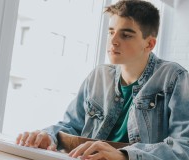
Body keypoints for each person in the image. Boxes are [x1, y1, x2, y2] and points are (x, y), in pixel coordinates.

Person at [16, 0, 189, 159]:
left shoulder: (174, 77)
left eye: (126, 35)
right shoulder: (98, 76)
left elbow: (183, 147)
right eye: (111, 32)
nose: (113, 41)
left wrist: (124, 156)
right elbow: (71, 126)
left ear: (149, 44)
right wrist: (48, 136)